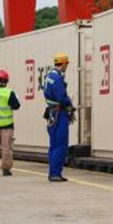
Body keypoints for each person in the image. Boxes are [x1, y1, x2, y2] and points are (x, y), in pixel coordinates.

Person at [43, 53, 75, 183]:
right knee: (60, 145)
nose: (67, 66)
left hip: (52, 113)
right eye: (67, 64)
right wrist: (70, 106)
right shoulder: (56, 79)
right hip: (59, 114)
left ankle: (53, 171)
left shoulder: (49, 76)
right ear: (63, 63)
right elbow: (61, 97)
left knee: (53, 144)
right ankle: (55, 173)